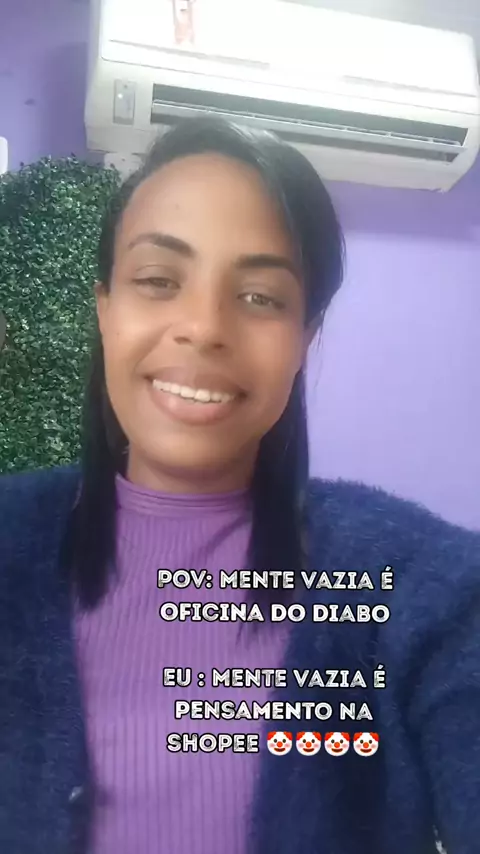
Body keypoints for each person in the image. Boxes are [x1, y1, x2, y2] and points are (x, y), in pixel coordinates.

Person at [0, 116, 479, 854]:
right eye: (158, 281)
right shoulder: (11, 539)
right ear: (106, 308)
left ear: (305, 338)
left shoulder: (416, 584)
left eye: (260, 296)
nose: (203, 328)